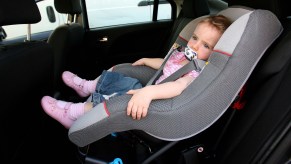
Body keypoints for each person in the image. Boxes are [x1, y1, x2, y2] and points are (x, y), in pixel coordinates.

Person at [41, 15, 232, 129]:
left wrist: (148, 93)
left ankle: (72, 113)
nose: (195, 45)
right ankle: (87, 86)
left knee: (119, 96)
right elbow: (167, 65)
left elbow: (178, 86)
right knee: (121, 78)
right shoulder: (184, 55)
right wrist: (149, 61)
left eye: (206, 45)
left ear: (215, 52)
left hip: (159, 104)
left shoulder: (197, 71)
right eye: (195, 38)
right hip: (150, 90)